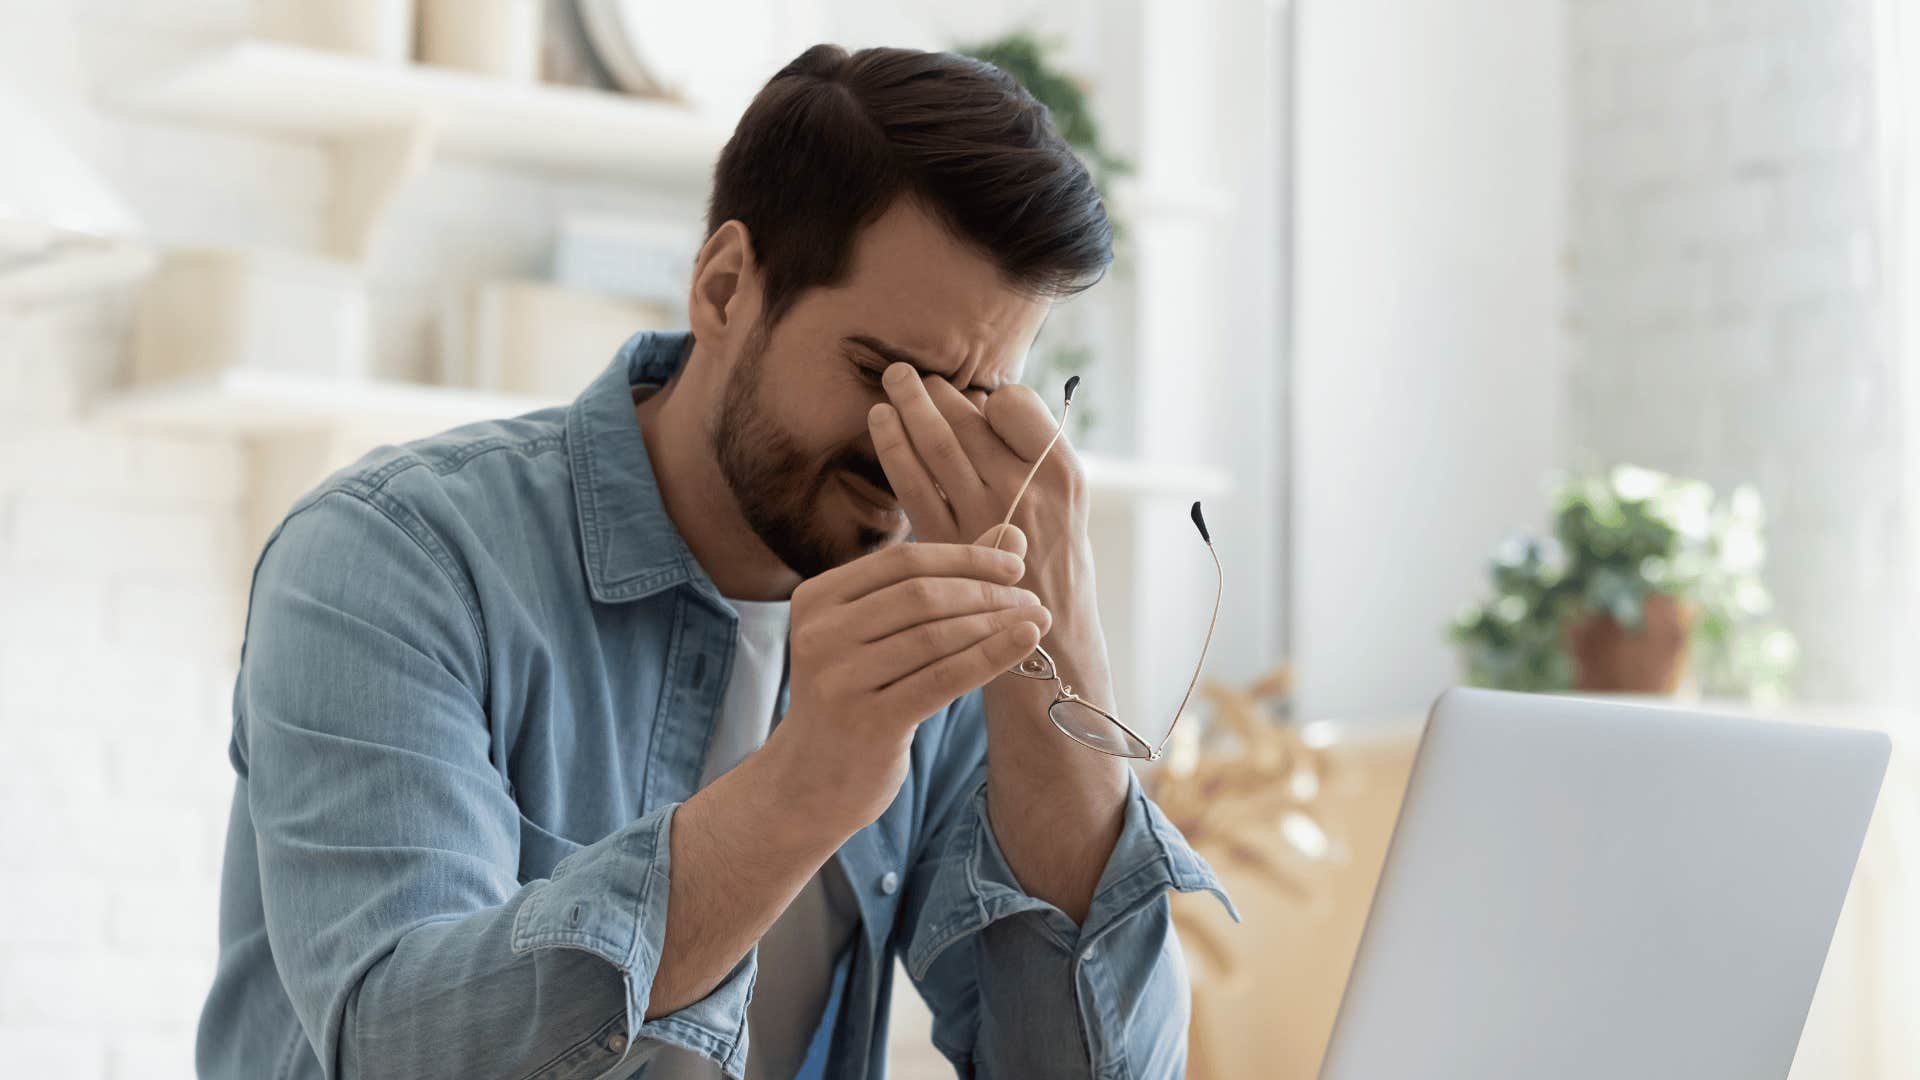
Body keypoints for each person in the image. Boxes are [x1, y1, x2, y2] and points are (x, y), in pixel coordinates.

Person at [196, 43, 1231, 1080]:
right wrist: (807, 784)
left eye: (973, 398)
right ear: (726, 287)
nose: (911, 443)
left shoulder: (942, 622)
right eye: (884, 371)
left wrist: (1065, 651)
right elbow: (400, 1052)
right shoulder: (396, 559)